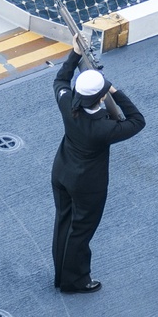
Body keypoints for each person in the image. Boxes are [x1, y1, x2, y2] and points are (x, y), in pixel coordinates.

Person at [52, 35, 145, 293]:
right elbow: (138, 121)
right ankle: (75, 281)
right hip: (87, 184)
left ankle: (60, 274)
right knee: (80, 232)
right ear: (101, 97)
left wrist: (74, 54)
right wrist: (114, 90)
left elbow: (60, 80)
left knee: (63, 223)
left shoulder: (67, 104)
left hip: (61, 172)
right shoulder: (104, 128)